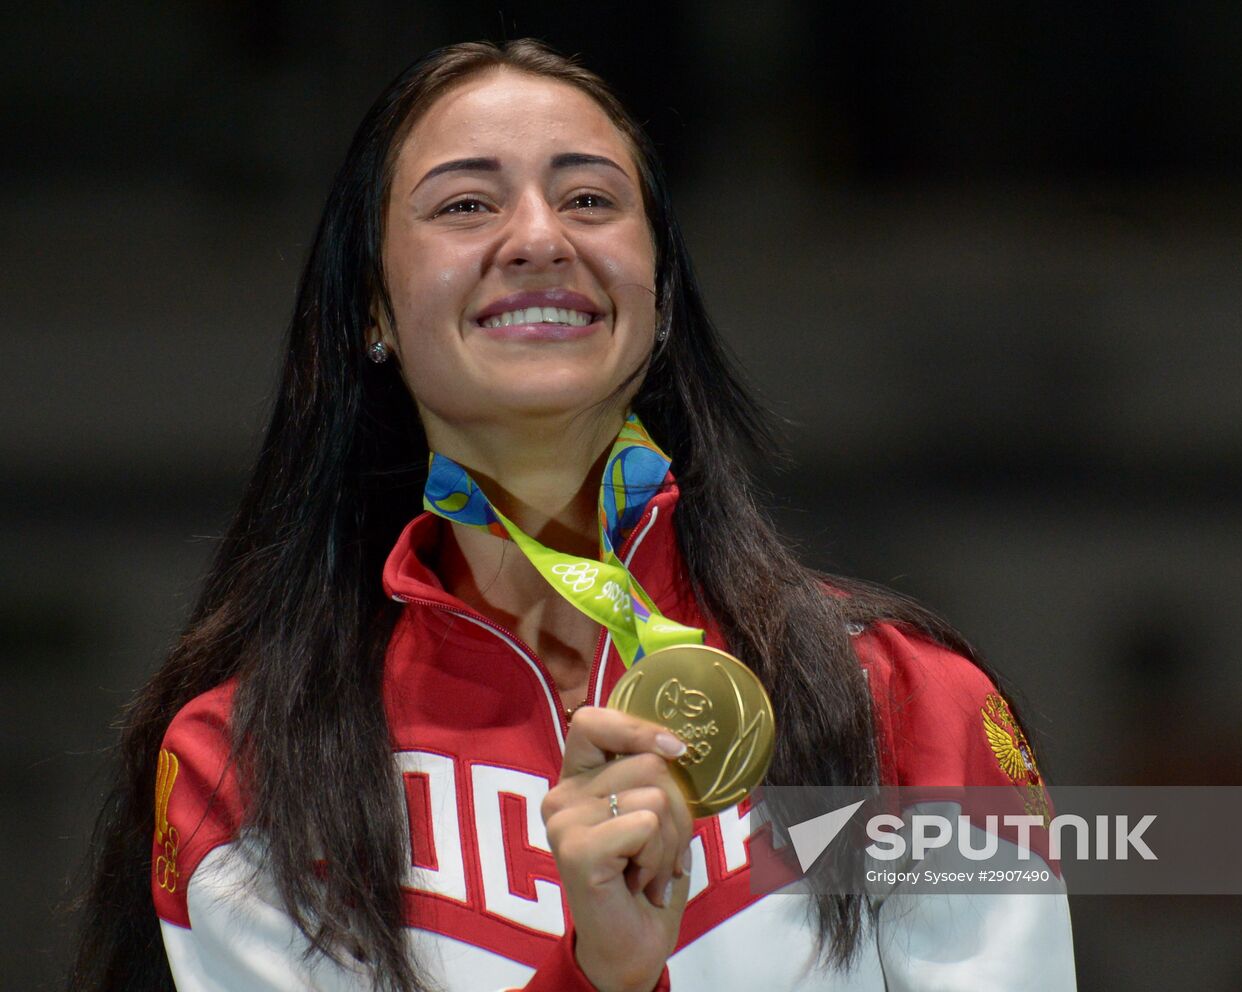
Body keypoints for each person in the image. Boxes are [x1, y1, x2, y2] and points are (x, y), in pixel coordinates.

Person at [69, 39, 1075, 992]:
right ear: (370, 307)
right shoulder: (245, 764)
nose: (540, 238)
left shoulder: (902, 700)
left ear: (660, 293)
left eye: (589, 197)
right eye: (464, 204)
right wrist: (595, 973)